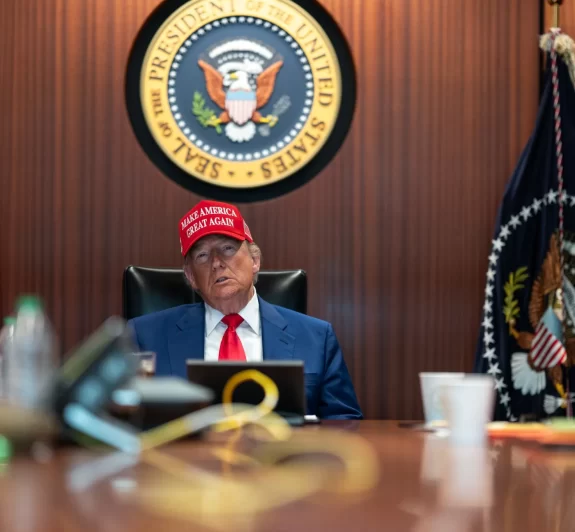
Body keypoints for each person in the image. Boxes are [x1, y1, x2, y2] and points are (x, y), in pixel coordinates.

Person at [128, 200, 362, 419]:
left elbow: (345, 424)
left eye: (228, 248)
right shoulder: (145, 336)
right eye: (202, 255)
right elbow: (125, 421)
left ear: (254, 260)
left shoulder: (317, 338)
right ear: (190, 276)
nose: (217, 262)